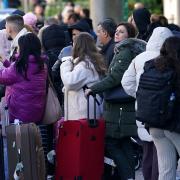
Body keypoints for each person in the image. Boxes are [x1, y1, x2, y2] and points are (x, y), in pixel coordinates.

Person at [85, 22, 146, 180]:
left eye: (121, 32)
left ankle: (127, 176)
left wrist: (94, 88)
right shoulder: (124, 50)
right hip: (122, 106)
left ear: (129, 35)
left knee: (112, 141)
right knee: (124, 143)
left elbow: (115, 77)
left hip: (119, 107)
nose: (117, 34)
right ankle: (129, 176)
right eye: (116, 31)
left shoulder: (125, 51)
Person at [122, 27, 173, 180]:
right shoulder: (171, 58)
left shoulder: (139, 58)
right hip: (164, 114)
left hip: (143, 111)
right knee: (163, 157)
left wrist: (139, 95)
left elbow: (126, 82)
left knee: (147, 153)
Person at [147, 36, 180, 180]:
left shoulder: (151, 66)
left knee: (166, 170)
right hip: (174, 124)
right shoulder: (177, 68)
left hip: (153, 122)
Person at [0, 33, 47, 123]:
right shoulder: (41, 65)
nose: (17, 50)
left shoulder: (19, 67)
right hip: (37, 112)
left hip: (19, 114)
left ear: (23, 48)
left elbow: (3, 77)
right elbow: (21, 75)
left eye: (18, 47)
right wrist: (6, 62)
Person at [60, 32, 106, 120]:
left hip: (82, 113)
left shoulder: (84, 65)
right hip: (86, 111)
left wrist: (65, 65)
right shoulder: (91, 62)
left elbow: (70, 82)